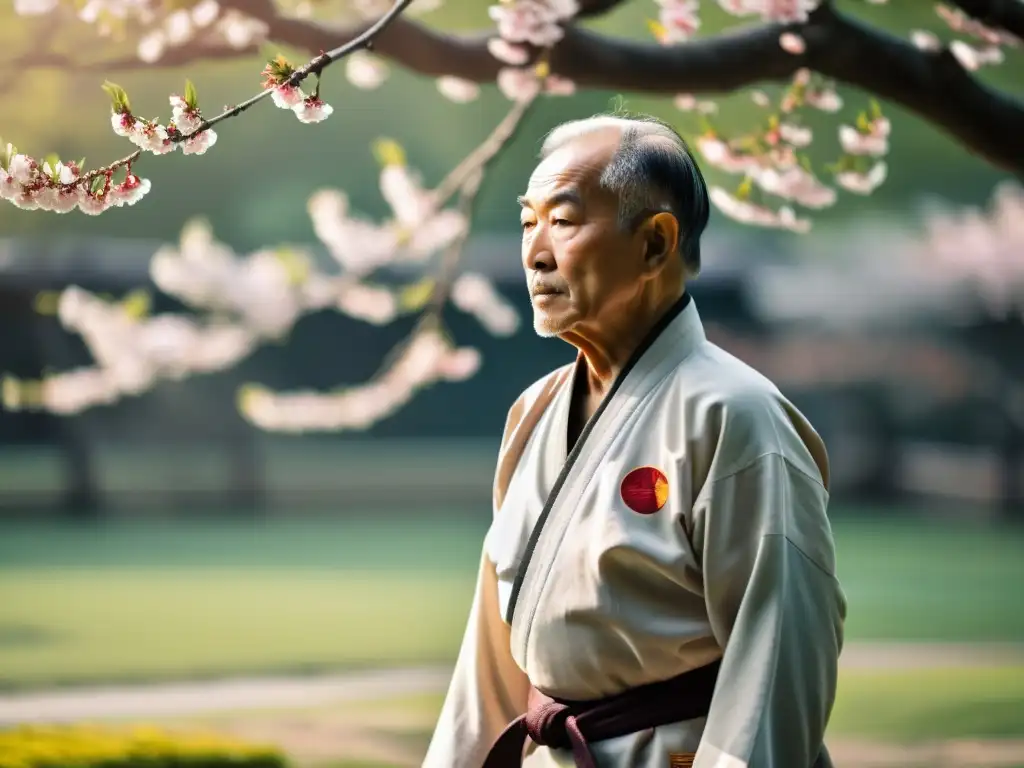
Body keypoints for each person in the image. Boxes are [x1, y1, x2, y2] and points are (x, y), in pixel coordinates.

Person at [422, 113, 847, 768]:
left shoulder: (737, 417)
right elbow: (490, 664)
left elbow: (777, 665)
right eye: (527, 221)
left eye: (563, 221)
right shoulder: (533, 414)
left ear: (655, 244)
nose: (535, 252)